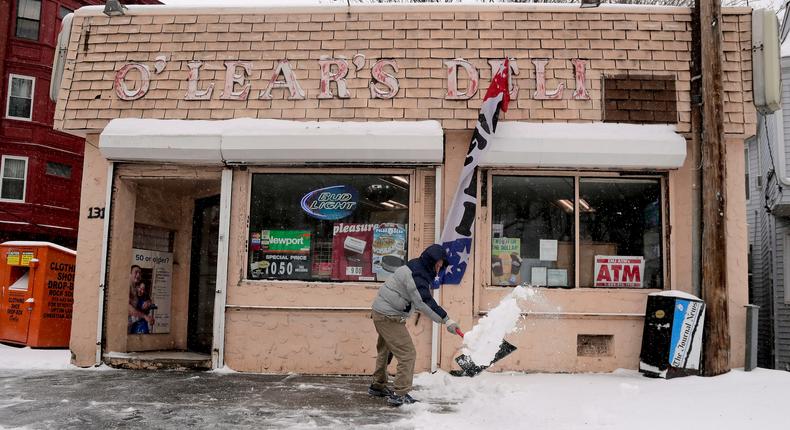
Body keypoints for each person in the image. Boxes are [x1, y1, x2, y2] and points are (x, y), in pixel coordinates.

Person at [369, 244, 462, 406]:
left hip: (382, 312)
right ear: (431, 260)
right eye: (438, 263)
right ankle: (400, 393)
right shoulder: (417, 273)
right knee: (407, 353)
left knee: (385, 349)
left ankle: (378, 385)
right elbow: (423, 300)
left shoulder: (418, 266)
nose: (440, 267)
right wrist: (446, 320)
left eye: (442, 264)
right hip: (388, 316)